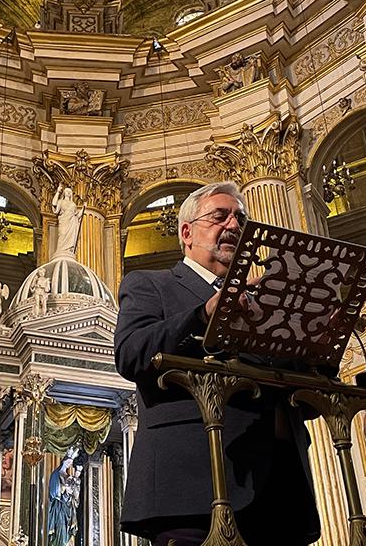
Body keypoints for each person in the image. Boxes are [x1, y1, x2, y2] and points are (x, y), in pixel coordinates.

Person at [115, 181, 322, 546]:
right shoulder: (151, 284)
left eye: (240, 219)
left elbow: (304, 399)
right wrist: (205, 313)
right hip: (194, 487)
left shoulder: (264, 302)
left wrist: (316, 336)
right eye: (220, 216)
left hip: (280, 491)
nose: (233, 225)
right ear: (186, 233)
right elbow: (132, 353)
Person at [52, 184, 83, 259]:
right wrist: (58, 192)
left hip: (72, 222)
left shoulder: (73, 204)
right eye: (67, 191)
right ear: (64, 193)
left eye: (70, 192)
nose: (68, 193)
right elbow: (54, 205)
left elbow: (77, 216)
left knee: (71, 238)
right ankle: (61, 250)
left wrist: (83, 209)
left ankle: (69, 250)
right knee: (62, 234)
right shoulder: (61, 201)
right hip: (64, 221)